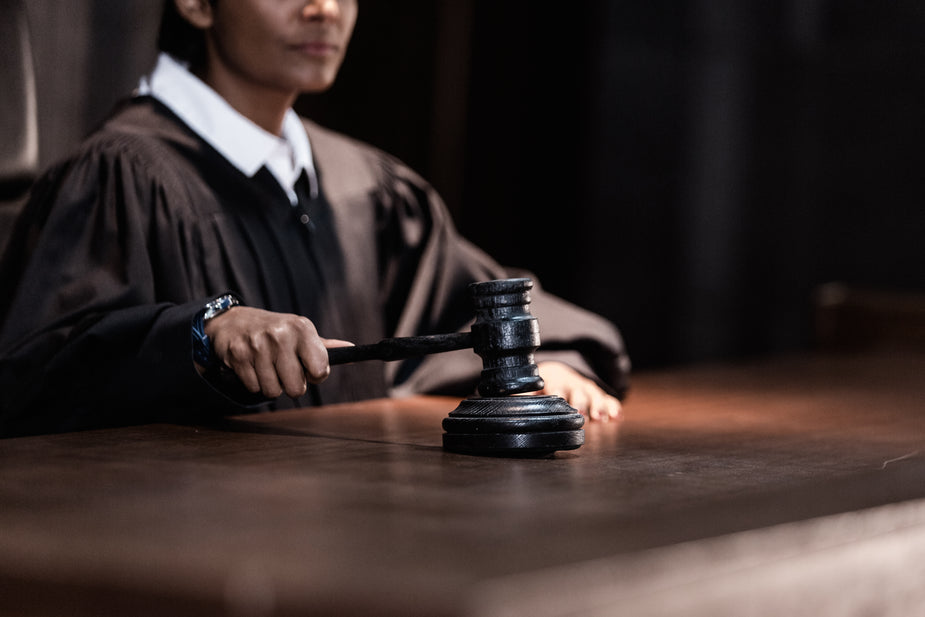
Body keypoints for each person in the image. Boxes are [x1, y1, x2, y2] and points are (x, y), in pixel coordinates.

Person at [0, 0, 629, 437]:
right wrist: (203, 334)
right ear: (196, 4)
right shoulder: (121, 176)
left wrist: (533, 369)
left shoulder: (365, 185)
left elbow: (456, 309)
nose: (325, 9)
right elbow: (38, 381)